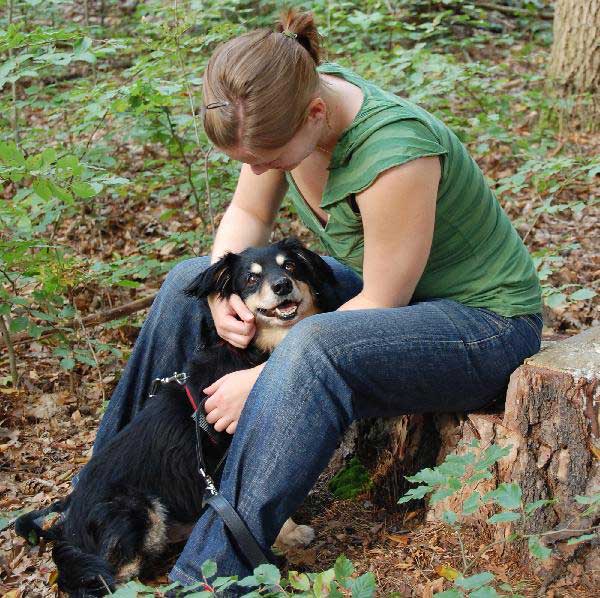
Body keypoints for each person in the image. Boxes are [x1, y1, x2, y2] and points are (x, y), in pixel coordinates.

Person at [93, 8, 543, 589]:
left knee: (313, 346)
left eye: (268, 159)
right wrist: (219, 298)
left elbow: (381, 300)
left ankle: (206, 575)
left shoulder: (395, 151)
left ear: (315, 115)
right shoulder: (287, 103)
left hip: (483, 326)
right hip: (398, 300)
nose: (258, 169)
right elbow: (249, 213)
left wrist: (261, 378)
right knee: (191, 280)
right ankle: (98, 498)